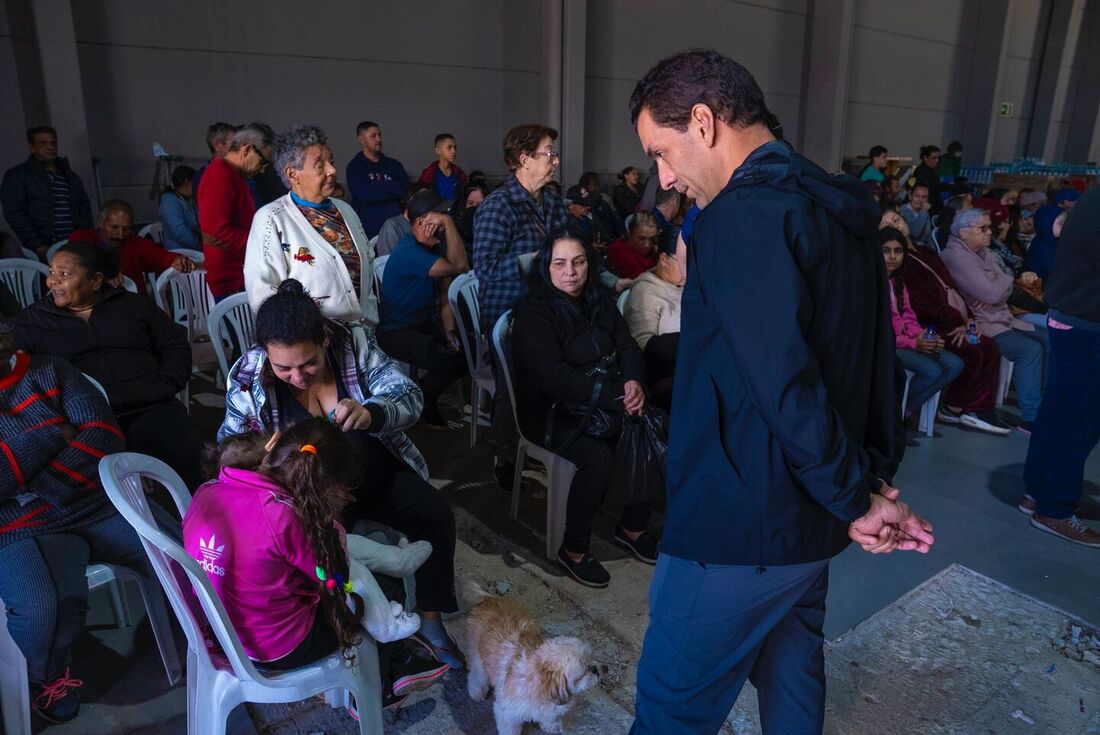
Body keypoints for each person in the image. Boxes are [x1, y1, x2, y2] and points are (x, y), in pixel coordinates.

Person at [627, 49, 933, 734]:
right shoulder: (839, 205)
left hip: (736, 524)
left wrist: (858, 495)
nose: (664, 177)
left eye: (661, 152)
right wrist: (868, 482)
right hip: (805, 525)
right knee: (794, 683)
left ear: (702, 122)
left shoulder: (743, 218)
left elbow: (786, 387)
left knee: (671, 707)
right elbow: (870, 358)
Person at [219, 280, 464, 668]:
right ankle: (382, 653)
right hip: (309, 497)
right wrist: (264, 456)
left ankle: (430, 621)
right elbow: (229, 449)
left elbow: (409, 396)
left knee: (434, 514)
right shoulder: (249, 377)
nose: (298, 377)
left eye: (309, 364)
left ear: (324, 342)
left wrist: (374, 412)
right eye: (284, 368)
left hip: (372, 470)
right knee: (344, 562)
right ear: (265, 354)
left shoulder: (355, 343)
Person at [185, 422, 449, 706]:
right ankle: (383, 683)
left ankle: (393, 664)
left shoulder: (208, 491)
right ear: (330, 488)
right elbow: (333, 577)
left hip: (223, 636)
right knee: (384, 587)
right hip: (281, 649)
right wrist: (332, 527)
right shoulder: (287, 518)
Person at [0, 317, 159, 725]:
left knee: (183, 553)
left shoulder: (51, 369)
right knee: (44, 607)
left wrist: (36, 480)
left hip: (95, 500)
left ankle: (225, 634)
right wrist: (55, 435)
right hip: (23, 526)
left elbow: (104, 433)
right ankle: (46, 676)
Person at [512, 229, 658, 587]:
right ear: (546, 267)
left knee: (650, 427)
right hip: (552, 412)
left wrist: (633, 383)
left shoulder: (598, 300)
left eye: (578, 262)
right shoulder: (535, 312)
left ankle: (632, 528)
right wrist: (615, 397)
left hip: (601, 401)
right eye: (559, 263)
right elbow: (554, 378)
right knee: (597, 458)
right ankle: (573, 549)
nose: (570, 272)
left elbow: (627, 347)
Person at [14, 241, 204, 487]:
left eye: (65, 274)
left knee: (193, 461)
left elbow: (174, 343)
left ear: (95, 280)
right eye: (51, 273)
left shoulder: (132, 305)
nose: (53, 281)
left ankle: (201, 519)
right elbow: (19, 372)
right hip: (85, 419)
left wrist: (167, 382)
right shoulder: (33, 321)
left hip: (149, 403)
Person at [473, 123, 568, 490]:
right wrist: (539, 261)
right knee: (521, 374)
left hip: (546, 306)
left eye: (554, 154)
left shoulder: (553, 202)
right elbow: (488, 268)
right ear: (523, 159)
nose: (554, 161)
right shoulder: (498, 206)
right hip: (508, 311)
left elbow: (568, 247)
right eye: (548, 153)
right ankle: (507, 452)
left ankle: (557, 439)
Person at [880, 208, 1009, 435]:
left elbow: (948, 291)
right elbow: (921, 306)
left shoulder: (926, 253)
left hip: (930, 327)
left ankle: (919, 409)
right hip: (929, 325)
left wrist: (968, 319)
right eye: (887, 224)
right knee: (965, 354)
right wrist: (950, 324)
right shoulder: (895, 270)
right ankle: (904, 413)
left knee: (976, 352)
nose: (896, 226)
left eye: (897, 219)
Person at [1021, 185, 1100, 547]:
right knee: (1079, 420)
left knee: (1058, 413)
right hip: (1086, 322)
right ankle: (1054, 507)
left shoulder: (1092, 199)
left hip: (1071, 315)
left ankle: (1037, 492)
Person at [244, 124, 377, 326]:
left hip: (363, 334)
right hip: (310, 343)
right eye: (320, 165)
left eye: (331, 162)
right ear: (292, 174)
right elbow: (263, 294)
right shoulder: (272, 219)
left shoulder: (345, 210)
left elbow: (368, 262)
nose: (332, 170)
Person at [941, 208, 1049, 433]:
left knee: (1049, 338)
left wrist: (998, 287)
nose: (990, 232)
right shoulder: (957, 256)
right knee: (1029, 350)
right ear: (963, 232)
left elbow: (996, 290)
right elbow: (993, 292)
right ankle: (1032, 417)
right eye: (983, 228)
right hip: (980, 324)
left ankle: (1047, 405)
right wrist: (1006, 281)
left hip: (1001, 317)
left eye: (989, 227)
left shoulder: (982, 251)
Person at [376, 189, 470, 429]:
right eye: (440, 218)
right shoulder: (409, 251)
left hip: (422, 324)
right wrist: (449, 223)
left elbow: (445, 294)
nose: (443, 223)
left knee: (465, 352)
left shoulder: (434, 248)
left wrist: (449, 332)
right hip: (396, 331)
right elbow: (460, 266)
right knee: (444, 361)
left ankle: (421, 398)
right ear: (421, 222)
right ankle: (423, 403)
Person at [880, 227, 965, 423]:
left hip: (907, 340)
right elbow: (880, 330)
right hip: (888, 344)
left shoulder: (898, 282)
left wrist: (924, 337)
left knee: (954, 364)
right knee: (931, 370)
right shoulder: (873, 283)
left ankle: (908, 408)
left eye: (898, 251)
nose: (892, 256)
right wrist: (913, 344)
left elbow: (908, 317)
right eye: (886, 251)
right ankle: (893, 415)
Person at [198, 122, 271, 301]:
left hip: (237, 273)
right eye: (263, 162)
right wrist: (263, 244)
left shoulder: (233, 174)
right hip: (229, 279)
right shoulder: (220, 175)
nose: (262, 170)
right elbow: (216, 232)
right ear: (247, 149)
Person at [69, 199, 197, 296]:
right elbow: (78, 261)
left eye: (126, 229)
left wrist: (177, 260)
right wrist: (107, 271)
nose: (120, 235)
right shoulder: (82, 237)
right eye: (114, 227)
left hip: (134, 309)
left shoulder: (135, 243)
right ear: (100, 223)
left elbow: (161, 257)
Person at [1, 126, 93, 259]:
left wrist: (85, 236)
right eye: (43, 143)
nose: (50, 147)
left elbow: (84, 206)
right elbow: (14, 212)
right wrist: (37, 244)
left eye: (53, 143)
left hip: (75, 245)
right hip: (43, 247)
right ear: (32, 147)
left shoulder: (70, 176)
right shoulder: (18, 176)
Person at [623, 226, 684, 395]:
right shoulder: (645, 292)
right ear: (664, 259)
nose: (690, 269)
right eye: (684, 262)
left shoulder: (688, 284)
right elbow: (641, 346)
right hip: (671, 376)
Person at [346, 121, 409, 238]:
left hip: (395, 228)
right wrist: (390, 187)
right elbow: (365, 194)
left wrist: (376, 185)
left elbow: (404, 189)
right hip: (368, 230)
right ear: (362, 139)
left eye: (379, 135)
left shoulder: (394, 165)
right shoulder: (355, 167)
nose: (379, 139)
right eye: (373, 136)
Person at [192, 121, 237, 210]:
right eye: (234, 144)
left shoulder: (235, 171)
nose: (239, 148)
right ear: (218, 145)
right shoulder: (205, 177)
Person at [375, 184, 425, 257]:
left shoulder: (428, 225)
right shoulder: (392, 225)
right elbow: (388, 262)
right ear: (411, 200)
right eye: (424, 199)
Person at [159, 165, 200, 251]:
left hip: (193, 247)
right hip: (179, 251)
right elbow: (180, 232)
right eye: (196, 183)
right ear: (188, 182)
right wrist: (201, 245)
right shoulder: (169, 201)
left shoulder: (189, 198)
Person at [607, 211, 659, 279]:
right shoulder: (619, 250)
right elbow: (638, 280)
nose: (647, 245)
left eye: (651, 239)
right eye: (641, 239)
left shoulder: (654, 250)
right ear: (629, 235)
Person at [418, 133, 467, 201]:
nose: (454, 151)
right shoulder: (428, 174)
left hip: (454, 211)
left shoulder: (460, 174)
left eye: (455, 147)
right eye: (449, 147)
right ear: (438, 151)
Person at [911, 145, 944, 214]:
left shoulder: (931, 170)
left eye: (938, 158)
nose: (937, 160)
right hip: (928, 208)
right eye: (934, 158)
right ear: (925, 158)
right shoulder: (921, 172)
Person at [901, 183, 933, 248]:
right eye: (917, 196)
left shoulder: (923, 211)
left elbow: (928, 236)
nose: (920, 200)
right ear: (910, 196)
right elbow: (914, 233)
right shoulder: (904, 210)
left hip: (926, 249)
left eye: (924, 197)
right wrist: (923, 212)